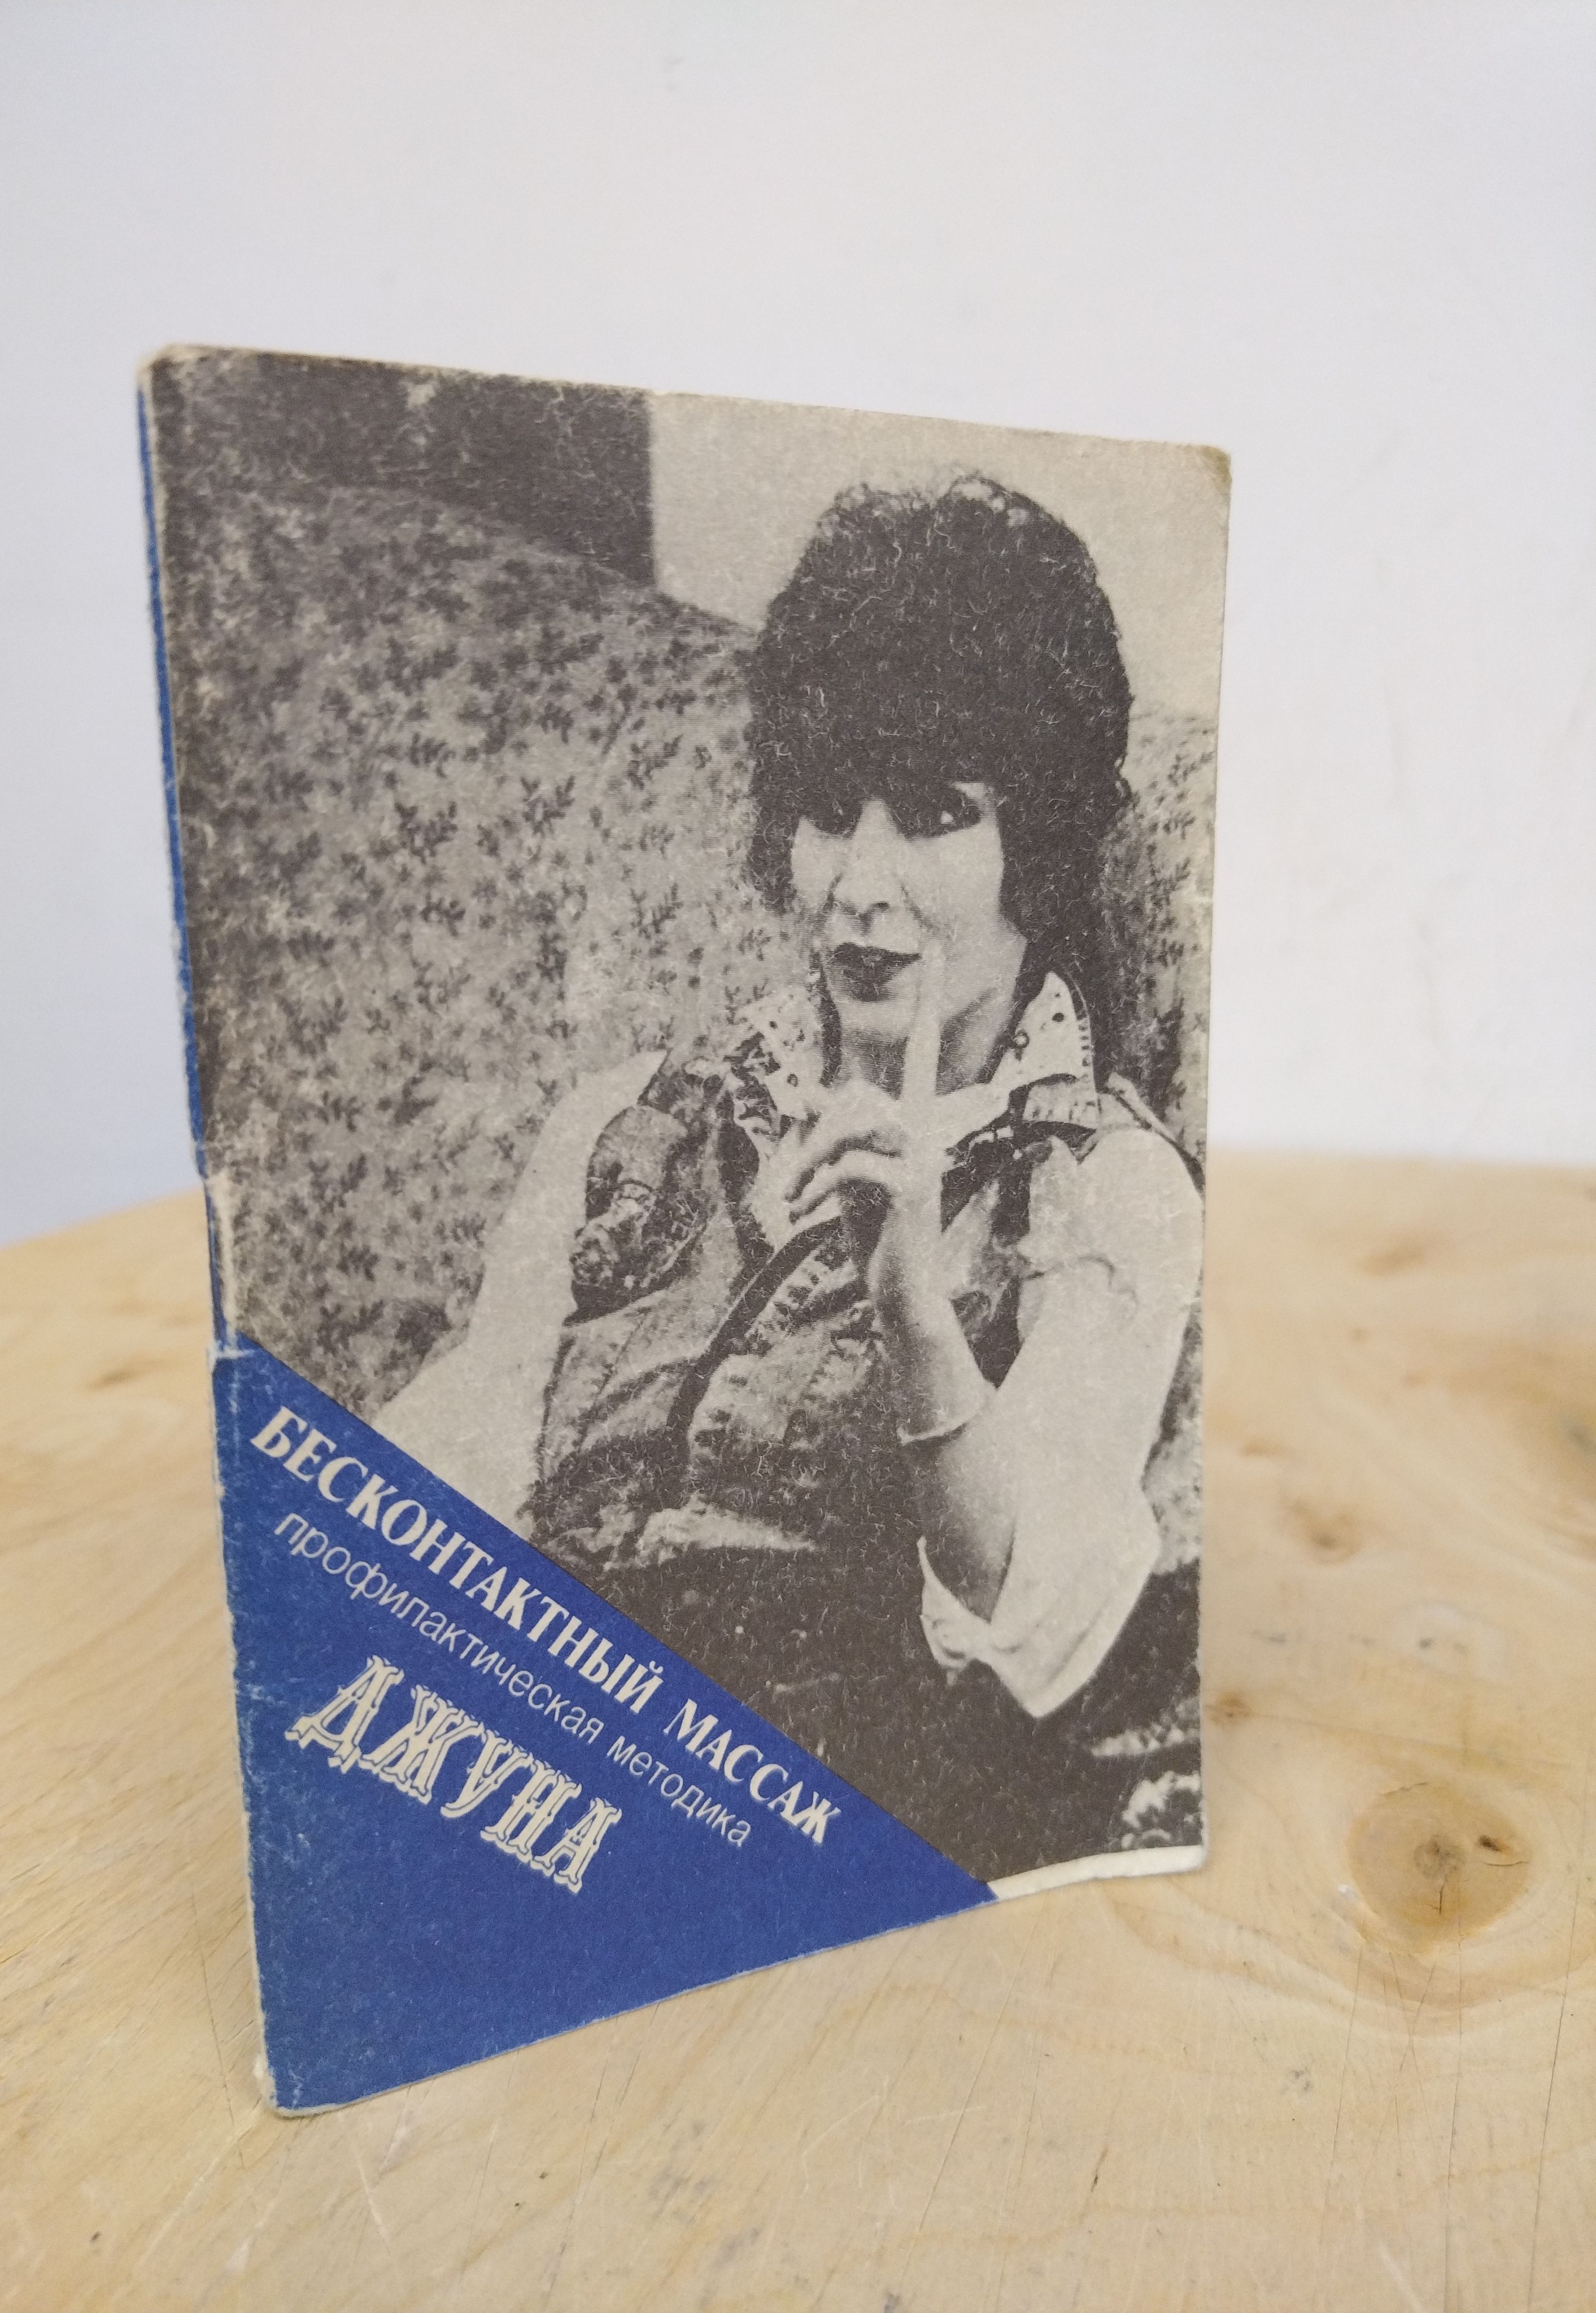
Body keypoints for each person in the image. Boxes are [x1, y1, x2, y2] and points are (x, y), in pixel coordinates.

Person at [377, 477, 1203, 1883]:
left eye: (935, 813)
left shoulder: (1103, 1197)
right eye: (829, 809)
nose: (861, 883)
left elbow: (1033, 1633)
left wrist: (914, 1309)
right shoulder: (627, 1120)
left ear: (1044, 843)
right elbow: (444, 1476)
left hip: (798, 1862)